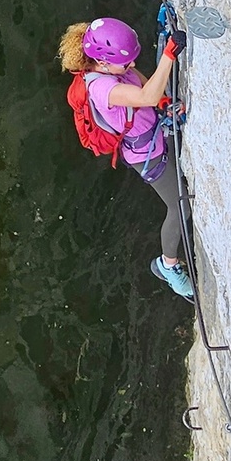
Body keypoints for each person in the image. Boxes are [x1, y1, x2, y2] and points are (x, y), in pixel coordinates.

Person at [58, 17, 193, 300]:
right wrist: (169, 54)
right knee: (179, 208)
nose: (131, 65)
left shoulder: (115, 69)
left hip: (157, 134)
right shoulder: (101, 89)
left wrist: (164, 103)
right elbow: (145, 95)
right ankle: (167, 266)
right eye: (126, 62)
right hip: (147, 155)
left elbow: (140, 80)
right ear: (104, 63)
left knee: (181, 201)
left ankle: (168, 265)